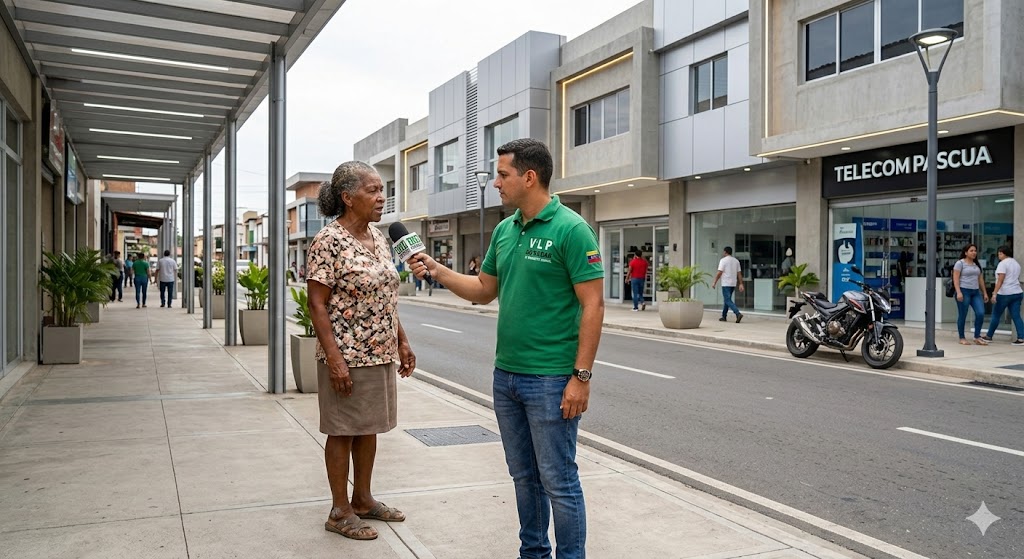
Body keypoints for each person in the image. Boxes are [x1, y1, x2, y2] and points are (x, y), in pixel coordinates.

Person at [409, 138, 604, 559]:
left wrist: (581, 377)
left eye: (502, 175)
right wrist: (438, 270)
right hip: (507, 377)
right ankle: (532, 554)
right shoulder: (505, 229)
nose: (496, 183)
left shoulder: (571, 229)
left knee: (558, 480)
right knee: (523, 477)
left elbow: (593, 305)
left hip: (552, 379)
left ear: (529, 177)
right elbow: (484, 290)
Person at [306, 161, 416, 541]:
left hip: (379, 352)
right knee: (342, 431)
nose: (381, 197)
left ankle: (363, 499)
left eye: (382, 189)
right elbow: (316, 304)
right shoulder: (329, 240)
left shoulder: (379, 237)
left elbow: (385, 296)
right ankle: (340, 511)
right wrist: (334, 359)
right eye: (373, 190)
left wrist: (401, 340)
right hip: (347, 356)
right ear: (348, 197)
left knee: (369, 427)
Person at [983, 245, 1024, 345]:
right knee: (1016, 316)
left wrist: (994, 293)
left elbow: (1000, 280)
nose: (998, 255)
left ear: (1004, 254)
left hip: (1004, 293)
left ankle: (989, 336)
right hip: (1017, 292)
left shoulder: (1002, 264)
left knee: (996, 314)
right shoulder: (1016, 263)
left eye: (1000, 253)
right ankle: (1021, 338)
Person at [952, 244, 989, 346]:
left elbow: (980, 279)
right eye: (971, 251)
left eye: (975, 251)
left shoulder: (976, 265)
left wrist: (985, 292)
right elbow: (955, 278)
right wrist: (958, 292)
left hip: (975, 292)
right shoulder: (960, 263)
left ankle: (977, 336)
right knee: (963, 314)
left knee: (980, 313)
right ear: (966, 253)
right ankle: (962, 337)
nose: (974, 253)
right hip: (964, 291)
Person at [711, 246, 744, 323]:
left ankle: (737, 313)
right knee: (727, 299)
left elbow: (719, 272)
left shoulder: (723, 261)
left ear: (725, 252)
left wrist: (714, 282)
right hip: (733, 283)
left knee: (727, 300)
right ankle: (724, 316)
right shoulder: (736, 261)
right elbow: (739, 273)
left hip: (726, 283)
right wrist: (741, 283)